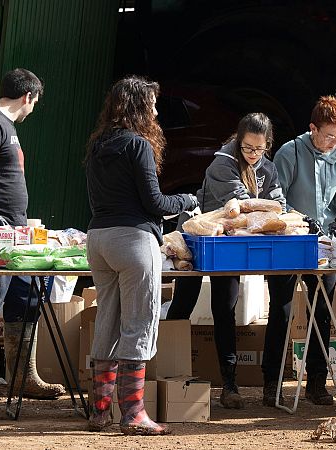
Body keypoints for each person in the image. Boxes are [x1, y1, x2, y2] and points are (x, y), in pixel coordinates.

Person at [84, 75, 198, 435]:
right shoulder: (138, 145)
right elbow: (156, 203)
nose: (155, 110)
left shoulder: (99, 145)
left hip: (98, 239)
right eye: (151, 104)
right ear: (140, 107)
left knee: (107, 322)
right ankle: (133, 414)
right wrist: (187, 200)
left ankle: (99, 411)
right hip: (133, 242)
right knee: (138, 325)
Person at [166, 113, 285, 409]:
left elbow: (278, 203)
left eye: (259, 149)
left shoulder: (267, 168)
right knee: (188, 303)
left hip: (240, 242)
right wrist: (271, 212)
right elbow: (240, 206)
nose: (253, 155)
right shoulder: (222, 162)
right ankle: (170, 372)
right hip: (204, 238)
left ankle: (239, 383)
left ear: (267, 145)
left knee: (226, 304)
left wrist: (276, 212)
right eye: (247, 148)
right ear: (238, 140)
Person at [0, 68, 66, 400]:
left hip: (17, 231)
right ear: (28, 97)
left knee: (26, 296)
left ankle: (24, 377)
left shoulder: (6, 127)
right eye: (35, 102)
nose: (33, 109)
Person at [263, 96, 336, 406]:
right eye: (328, 135)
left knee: (323, 313)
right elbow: (276, 200)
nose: (333, 141)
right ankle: (271, 384)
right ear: (312, 128)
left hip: (324, 245)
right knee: (282, 310)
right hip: (289, 241)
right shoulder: (290, 152)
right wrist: (300, 220)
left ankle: (316, 382)